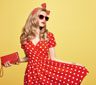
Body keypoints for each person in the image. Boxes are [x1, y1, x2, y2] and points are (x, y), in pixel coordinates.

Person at [4, 3, 89, 85]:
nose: (44, 19)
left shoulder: (48, 36)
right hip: (31, 74)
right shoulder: (25, 37)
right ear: (33, 18)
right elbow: (28, 57)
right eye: (41, 17)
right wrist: (14, 61)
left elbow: (53, 58)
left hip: (47, 72)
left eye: (46, 18)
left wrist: (73, 64)